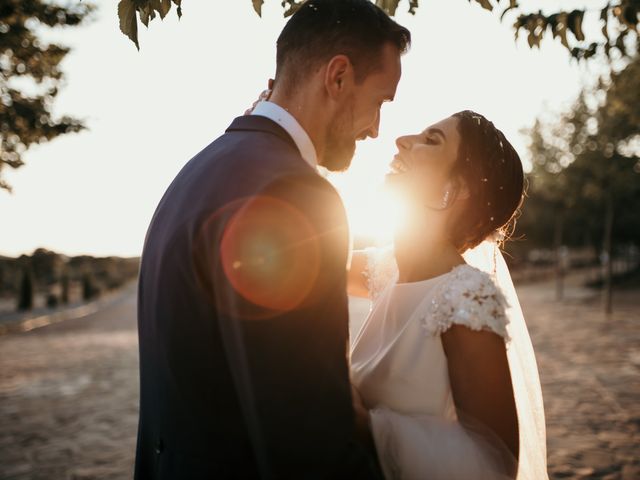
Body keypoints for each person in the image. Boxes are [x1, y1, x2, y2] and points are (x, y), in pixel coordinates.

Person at [134, 1, 410, 478]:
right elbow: (305, 434)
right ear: (338, 76)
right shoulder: (295, 195)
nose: (376, 129)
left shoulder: (197, 170)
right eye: (381, 102)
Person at [348, 111, 549, 479]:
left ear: (454, 190)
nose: (402, 140)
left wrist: (364, 424)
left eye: (431, 140)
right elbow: (300, 263)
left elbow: (494, 465)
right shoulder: (382, 270)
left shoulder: (466, 296)